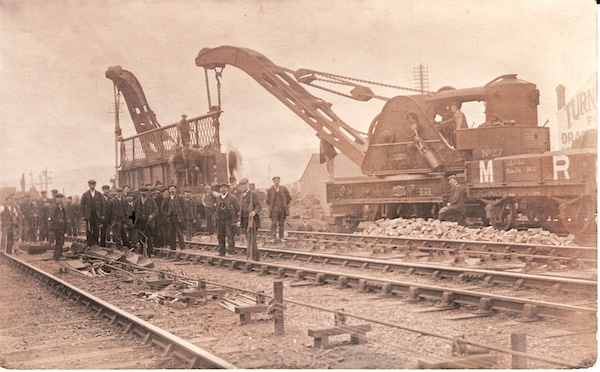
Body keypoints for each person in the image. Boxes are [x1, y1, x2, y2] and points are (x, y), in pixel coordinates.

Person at [237, 178, 261, 261]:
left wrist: (254, 212)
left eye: (244, 184)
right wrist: (239, 220)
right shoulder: (241, 196)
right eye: (241, 185)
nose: (243, 186)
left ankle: (254, 257)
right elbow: (240, 209)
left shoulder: (253, 194)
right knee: (248, 238)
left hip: (252, 220)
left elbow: (258, 206)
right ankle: (254, 256)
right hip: (245, 220)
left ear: (247, 184)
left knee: (252, 238)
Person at [133, 186, 158, 257]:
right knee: (141, 237)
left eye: (145, 192)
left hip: (148, 222)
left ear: (147, 193)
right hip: (140, 222)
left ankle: (150, 252)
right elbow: (133, 211)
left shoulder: (151, 201)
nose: (143, 193)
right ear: (140, 193)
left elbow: (156, 210)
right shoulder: (136, 202)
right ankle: (142, 252)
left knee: (149, 237)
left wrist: (152, 215)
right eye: (142, 192)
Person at [265, 176, 292, 243]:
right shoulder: (270, 190)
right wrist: (271, 206)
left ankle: (281, 237)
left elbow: (289, 197)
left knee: (281, 224)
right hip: (274, 210)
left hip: (282, 209)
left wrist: (285, 205)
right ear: (273, 181)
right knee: (274, 224)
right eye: (275, 181)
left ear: (279, 181)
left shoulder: (283, 188)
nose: (277, 182)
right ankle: (272, 238)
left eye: (278, 180)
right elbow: (267, 200)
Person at [215, 182, 239, 256]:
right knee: (220, 236)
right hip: (220, 219)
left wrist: (235, 219)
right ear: (219, 189)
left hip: (229, 219)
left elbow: (237, 209)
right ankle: (221, 252)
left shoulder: (232, 198)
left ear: (227, 189)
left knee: (230, 236)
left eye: (225, 187)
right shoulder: (218, 198)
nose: (223, 189)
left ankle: (231, 252)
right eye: (221, 188)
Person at [80, 179, 106, 248]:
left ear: (95, 185)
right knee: (89, 229)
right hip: (89, 215)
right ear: (88, 185)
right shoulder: (85, 195)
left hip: (96, 214)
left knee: (96, 229)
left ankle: (96, 243)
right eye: (91, 184)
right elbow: (82, 205)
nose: (92, 186)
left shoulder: (99, 194)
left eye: (93, 184)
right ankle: (89, 244)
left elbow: (103, 205)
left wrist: (103, 214)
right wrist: (83, 215)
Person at [162, 185, 185, 251]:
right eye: (170, 189)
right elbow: (162, 208)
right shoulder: (166, 199)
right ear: (169, 191)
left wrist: (181, 214)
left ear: (176, 190)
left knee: (179, 233)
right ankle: (172, 248)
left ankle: (182, 247)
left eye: (173, 189)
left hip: (178, 218)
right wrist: (167, 214)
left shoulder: (180, 198)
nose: (172, 191)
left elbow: (184, 207)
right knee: (171, 233)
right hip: (170, 218)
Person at [48, 193, 68, 261]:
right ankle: (56, 256)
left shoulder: (62, 206)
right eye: (58, 198)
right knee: (58, 241)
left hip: (62, 227)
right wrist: (58, 221)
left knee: (61, 241)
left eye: (61, 198)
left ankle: (59, 254)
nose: (60, 199)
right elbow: (52, 217)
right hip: (57, 227)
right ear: (56, 199)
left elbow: (64, 216)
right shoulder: (54, 206)